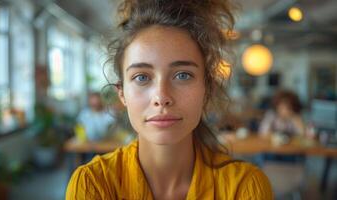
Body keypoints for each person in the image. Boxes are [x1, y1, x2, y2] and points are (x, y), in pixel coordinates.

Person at [66, 0, 273, 199]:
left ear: (206, 89)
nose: (161, 97)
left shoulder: (245, 188)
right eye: (142, 77)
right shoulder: (93, 184)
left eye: (182, 75)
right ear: (122, 94)